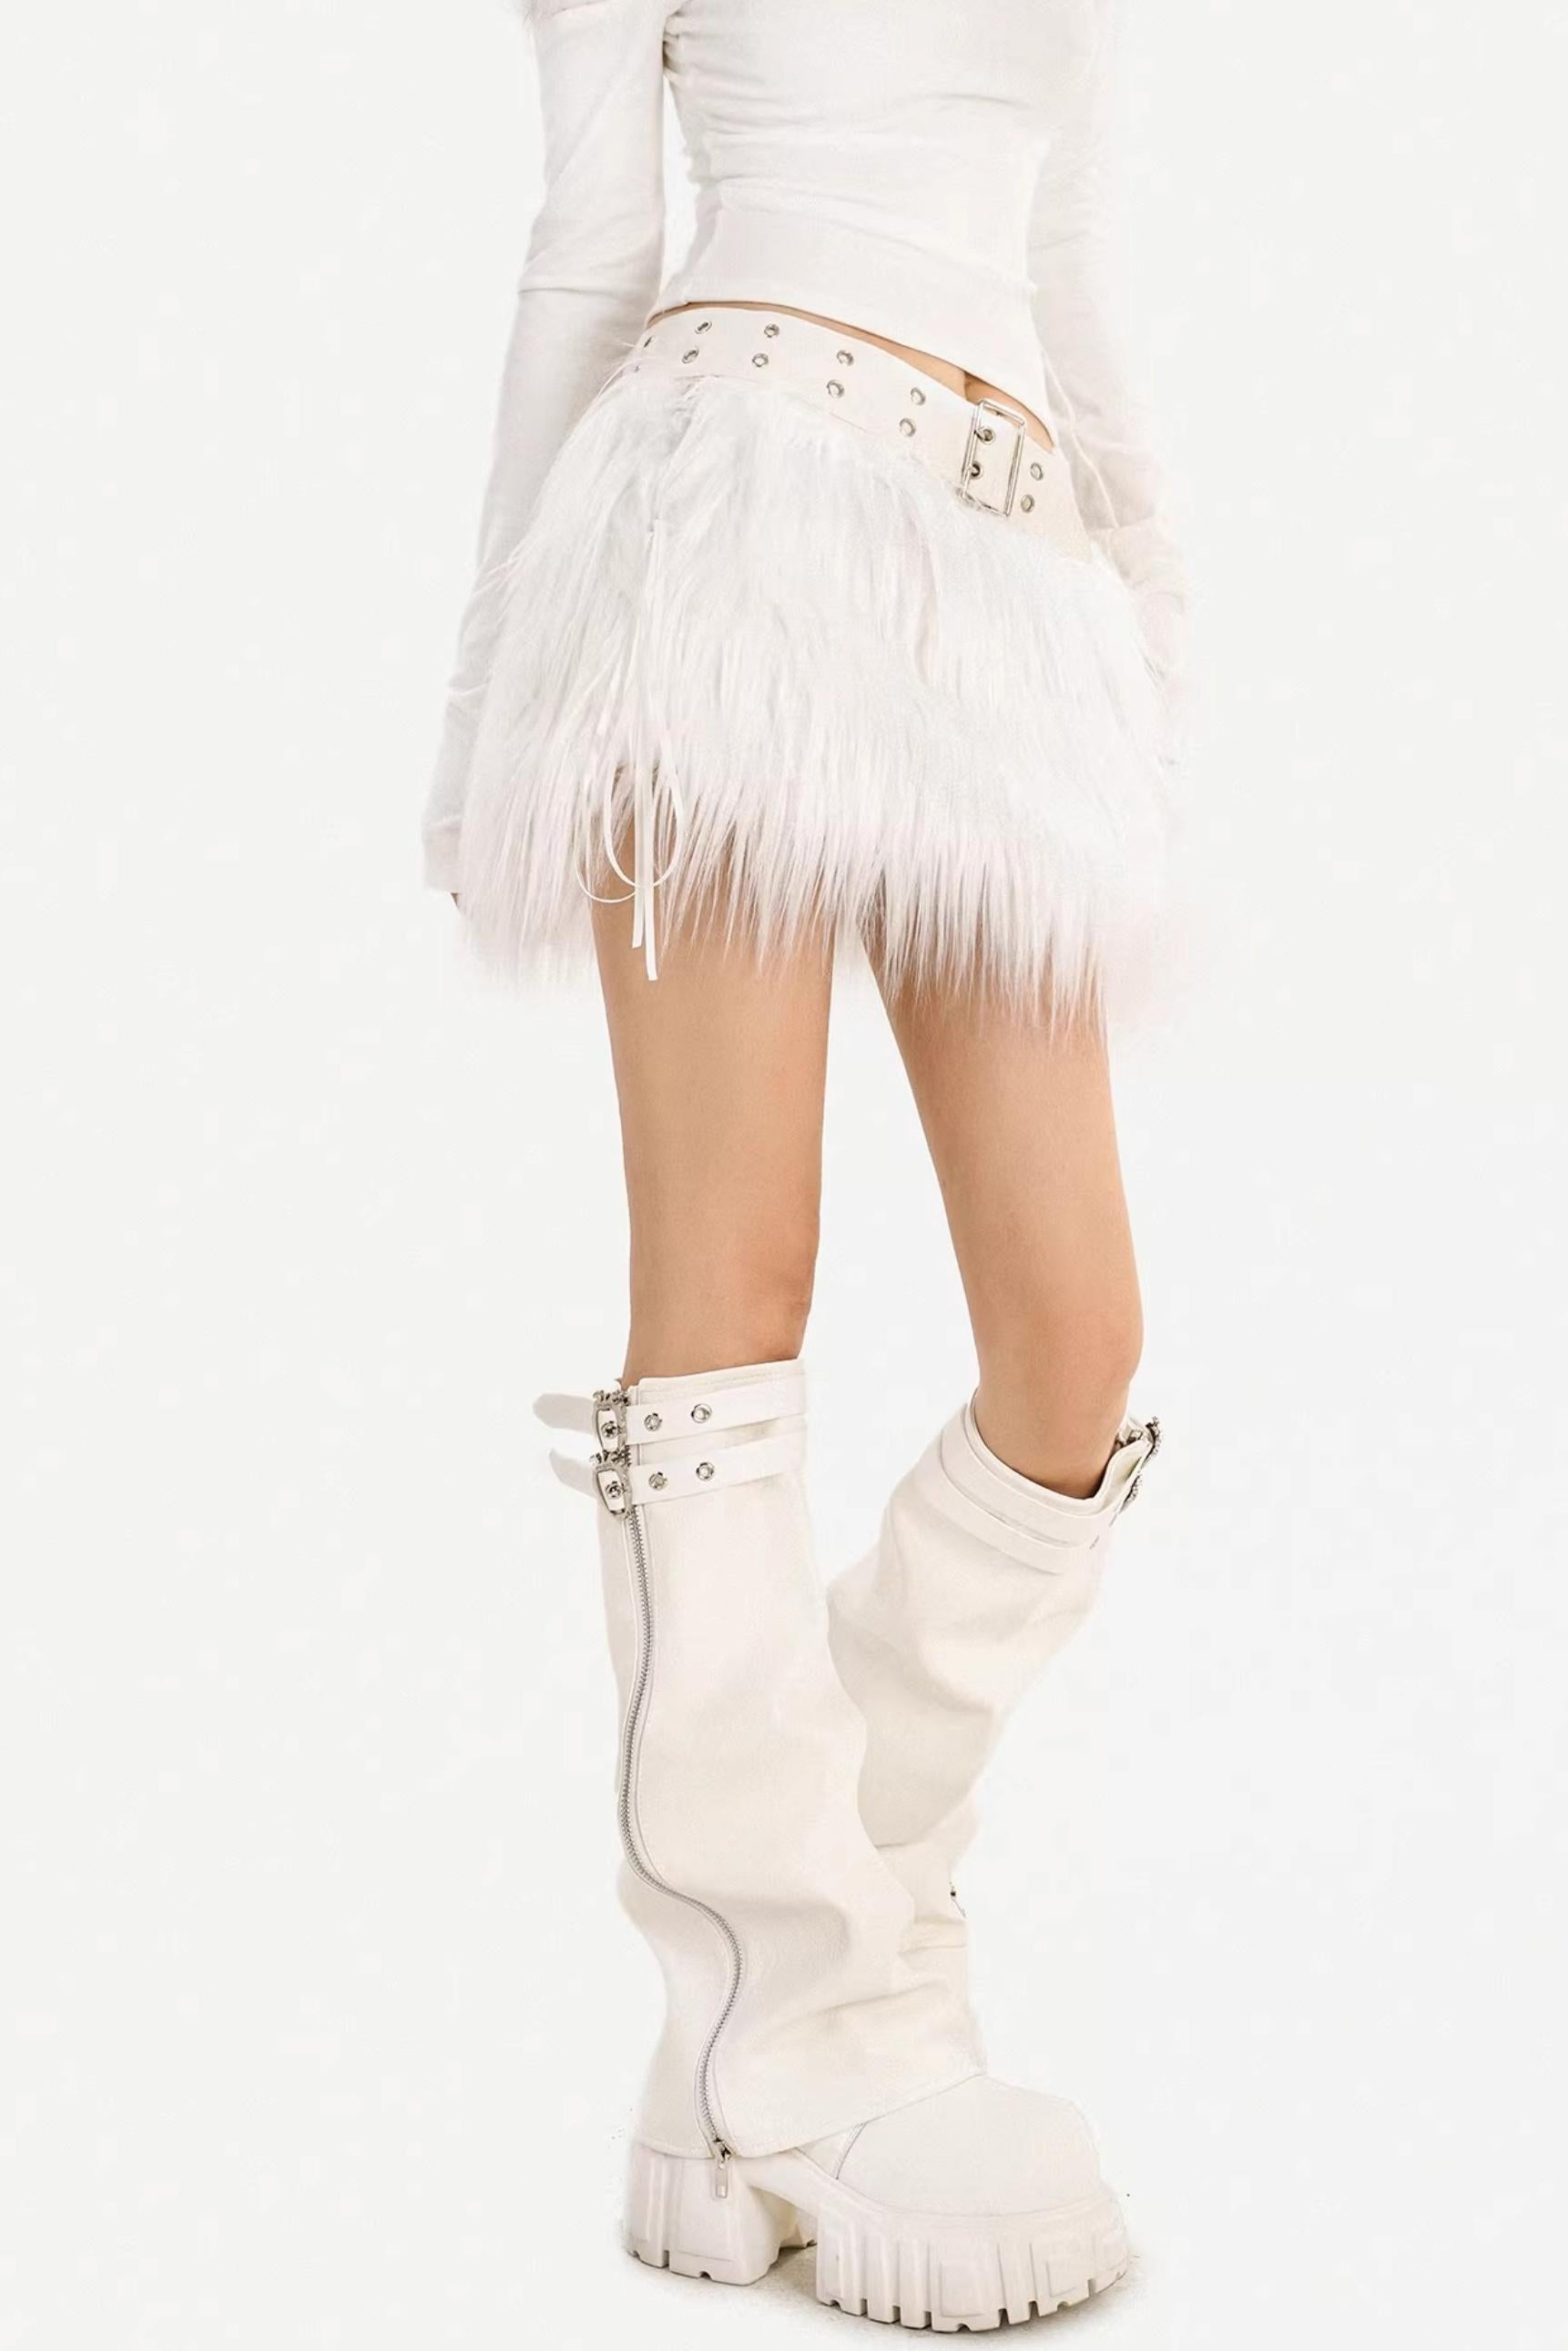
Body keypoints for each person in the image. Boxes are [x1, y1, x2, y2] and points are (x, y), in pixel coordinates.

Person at [425, 0, 1182, 2325]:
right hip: (724, 520)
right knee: (735, 1279)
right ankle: (817, 2016)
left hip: (1005, 579)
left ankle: (790, 1963)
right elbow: (586, 247)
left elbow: (1066, 257)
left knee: (1077, 1340)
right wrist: (485, 710)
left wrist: (1147, 651)